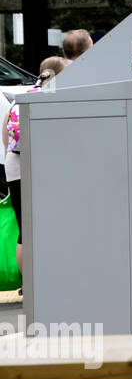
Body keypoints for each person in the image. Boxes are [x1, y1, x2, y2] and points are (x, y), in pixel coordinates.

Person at [4, 57, 67, 286]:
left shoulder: (21, 96)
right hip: (42, 165)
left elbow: (6, 133)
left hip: (15, 163)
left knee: (24, 227)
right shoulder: (55, 97)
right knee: (48, 223)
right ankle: (49, 279)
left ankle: (26, 284)